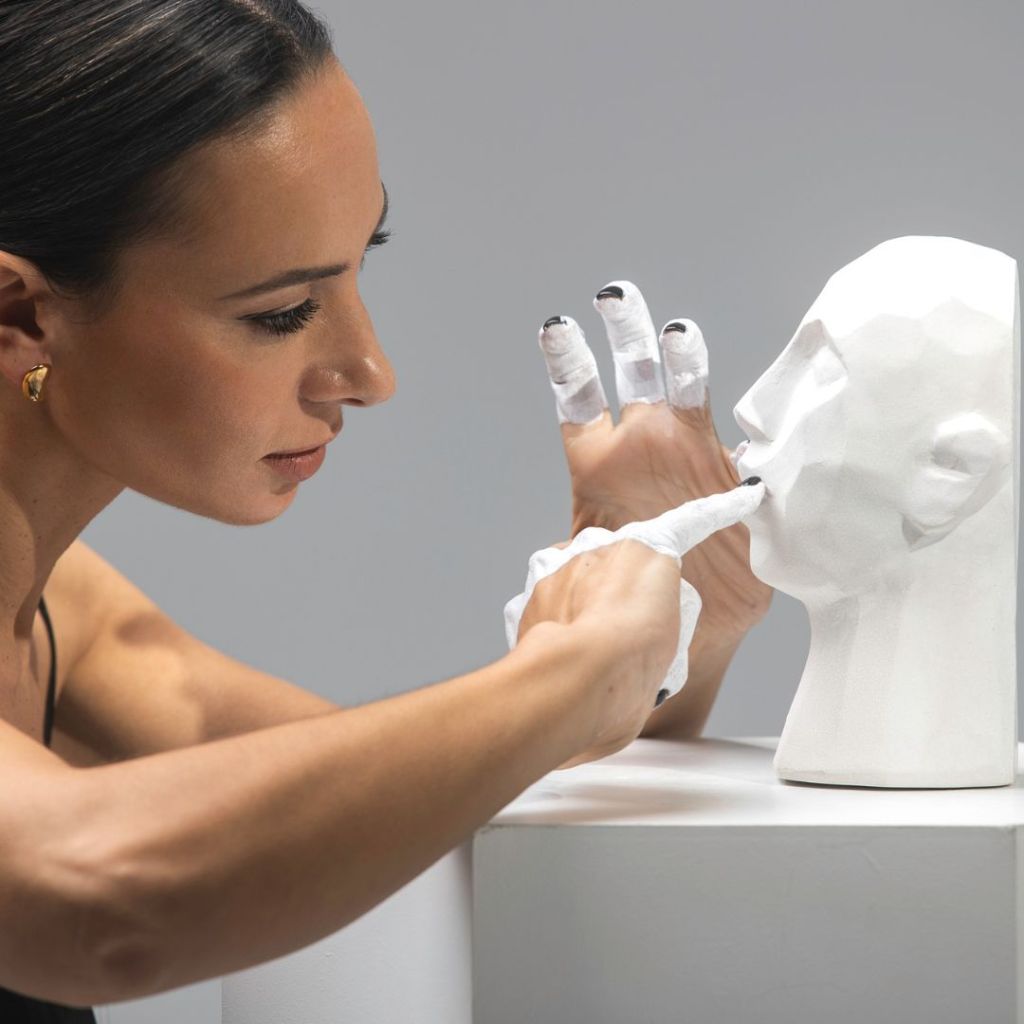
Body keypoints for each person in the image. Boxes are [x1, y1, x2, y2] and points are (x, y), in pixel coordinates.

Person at [0, 1, 771, 1014]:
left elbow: (410, 811)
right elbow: (95, 904)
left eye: (363, 262)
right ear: (19, 311)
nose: (371, 374)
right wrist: (575, 669)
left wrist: (676, 627)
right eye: (281, 311)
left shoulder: (68, 614)